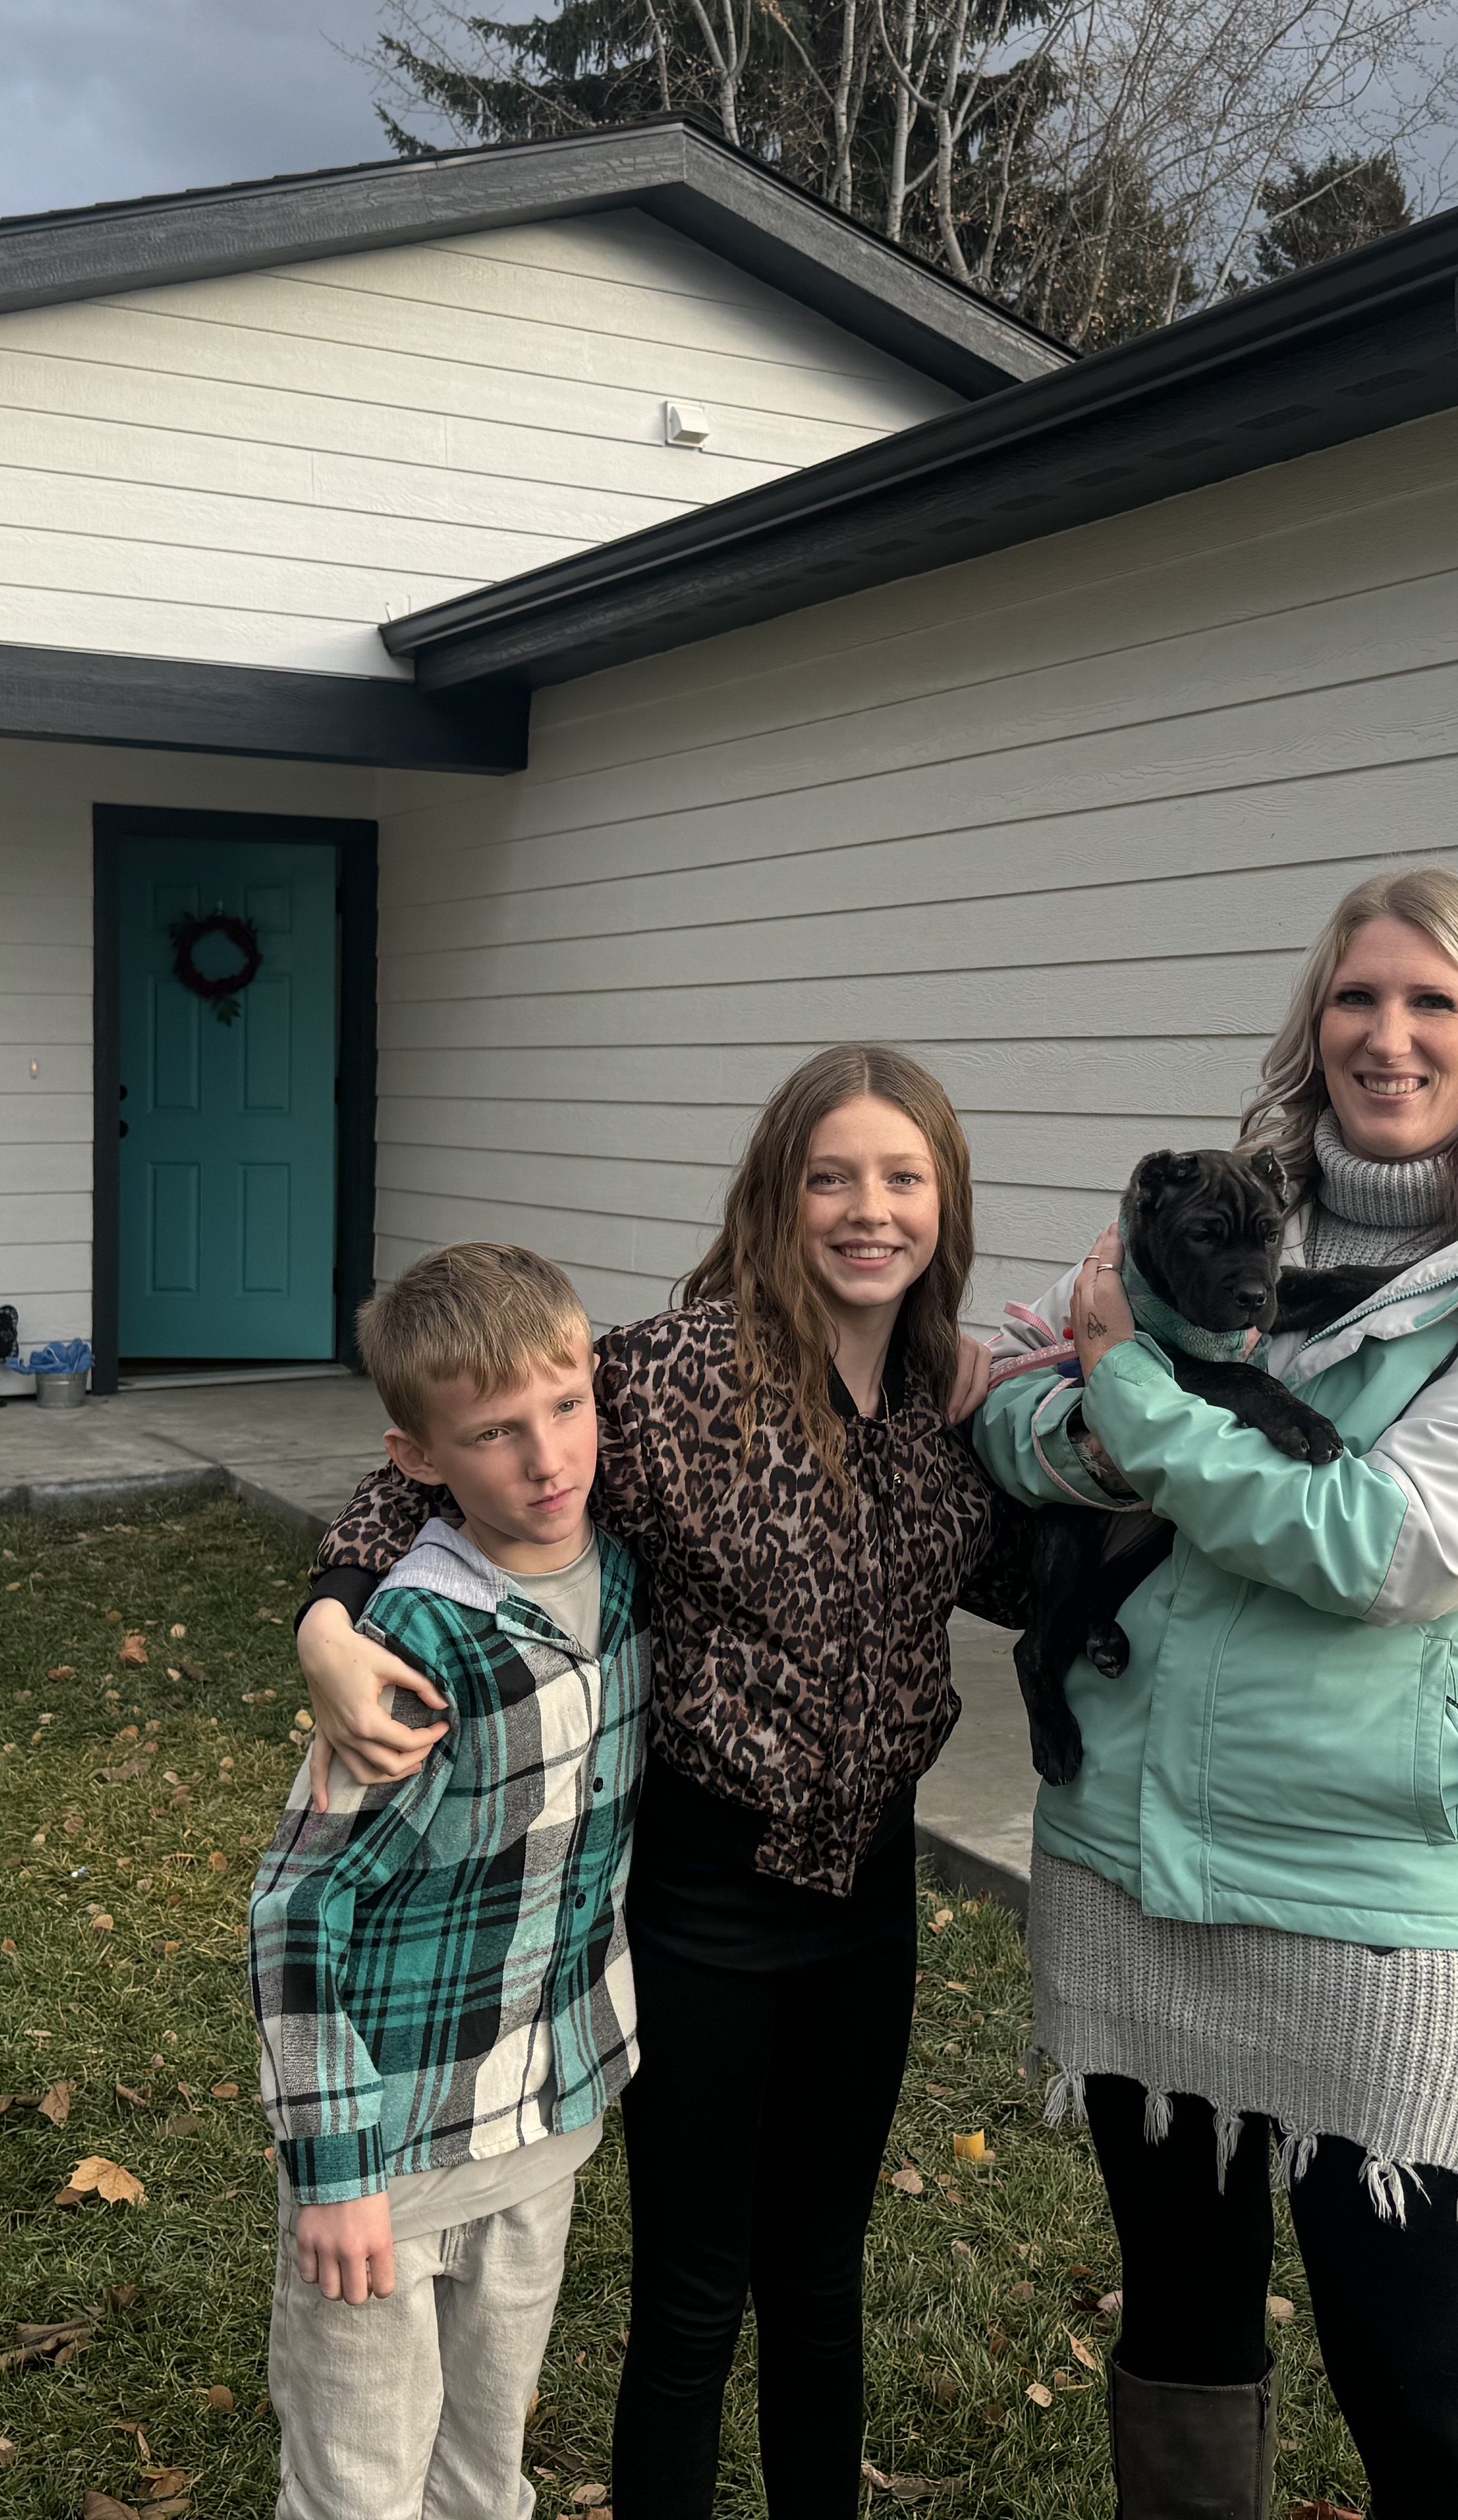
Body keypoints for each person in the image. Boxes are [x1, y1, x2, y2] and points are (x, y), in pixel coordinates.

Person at [976, 867, 1458, 2520]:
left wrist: (1126, 1397)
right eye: (1358, 998)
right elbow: (1016, 1403)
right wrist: (1083, 1411)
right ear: (1316, 1023)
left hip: (1374, 1898)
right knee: (1183, 2328)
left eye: (1434, 1001)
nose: (1390, 1034)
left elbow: (1390, 1546)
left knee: (1419, 2385)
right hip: (1133, 1852)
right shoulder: (1226, 1209)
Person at [292, 1045, 1012, 2517]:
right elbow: (455, 1442)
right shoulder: (683, 1377)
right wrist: (328, 1617)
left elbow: (1021, 1572)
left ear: (945, 1199)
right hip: (705, 1900)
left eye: (902, 1176)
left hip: (868, 1898)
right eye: (831, 1177)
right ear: (776, 1195)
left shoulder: (948, 1399)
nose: (867, 1210)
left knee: (822, 2272)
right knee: (697, 2292)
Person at [249, 1241, 643, 2520]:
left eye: (567, 1408)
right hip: (397, 2153)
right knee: (363, 2484)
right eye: (492, 1434)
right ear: (416, 1458)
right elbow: (297, 1909)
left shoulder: (629, 1573)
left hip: (547, 2117)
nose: (547, 1459)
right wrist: (334, 2171)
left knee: (486, 2468)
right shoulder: (414, 1642)